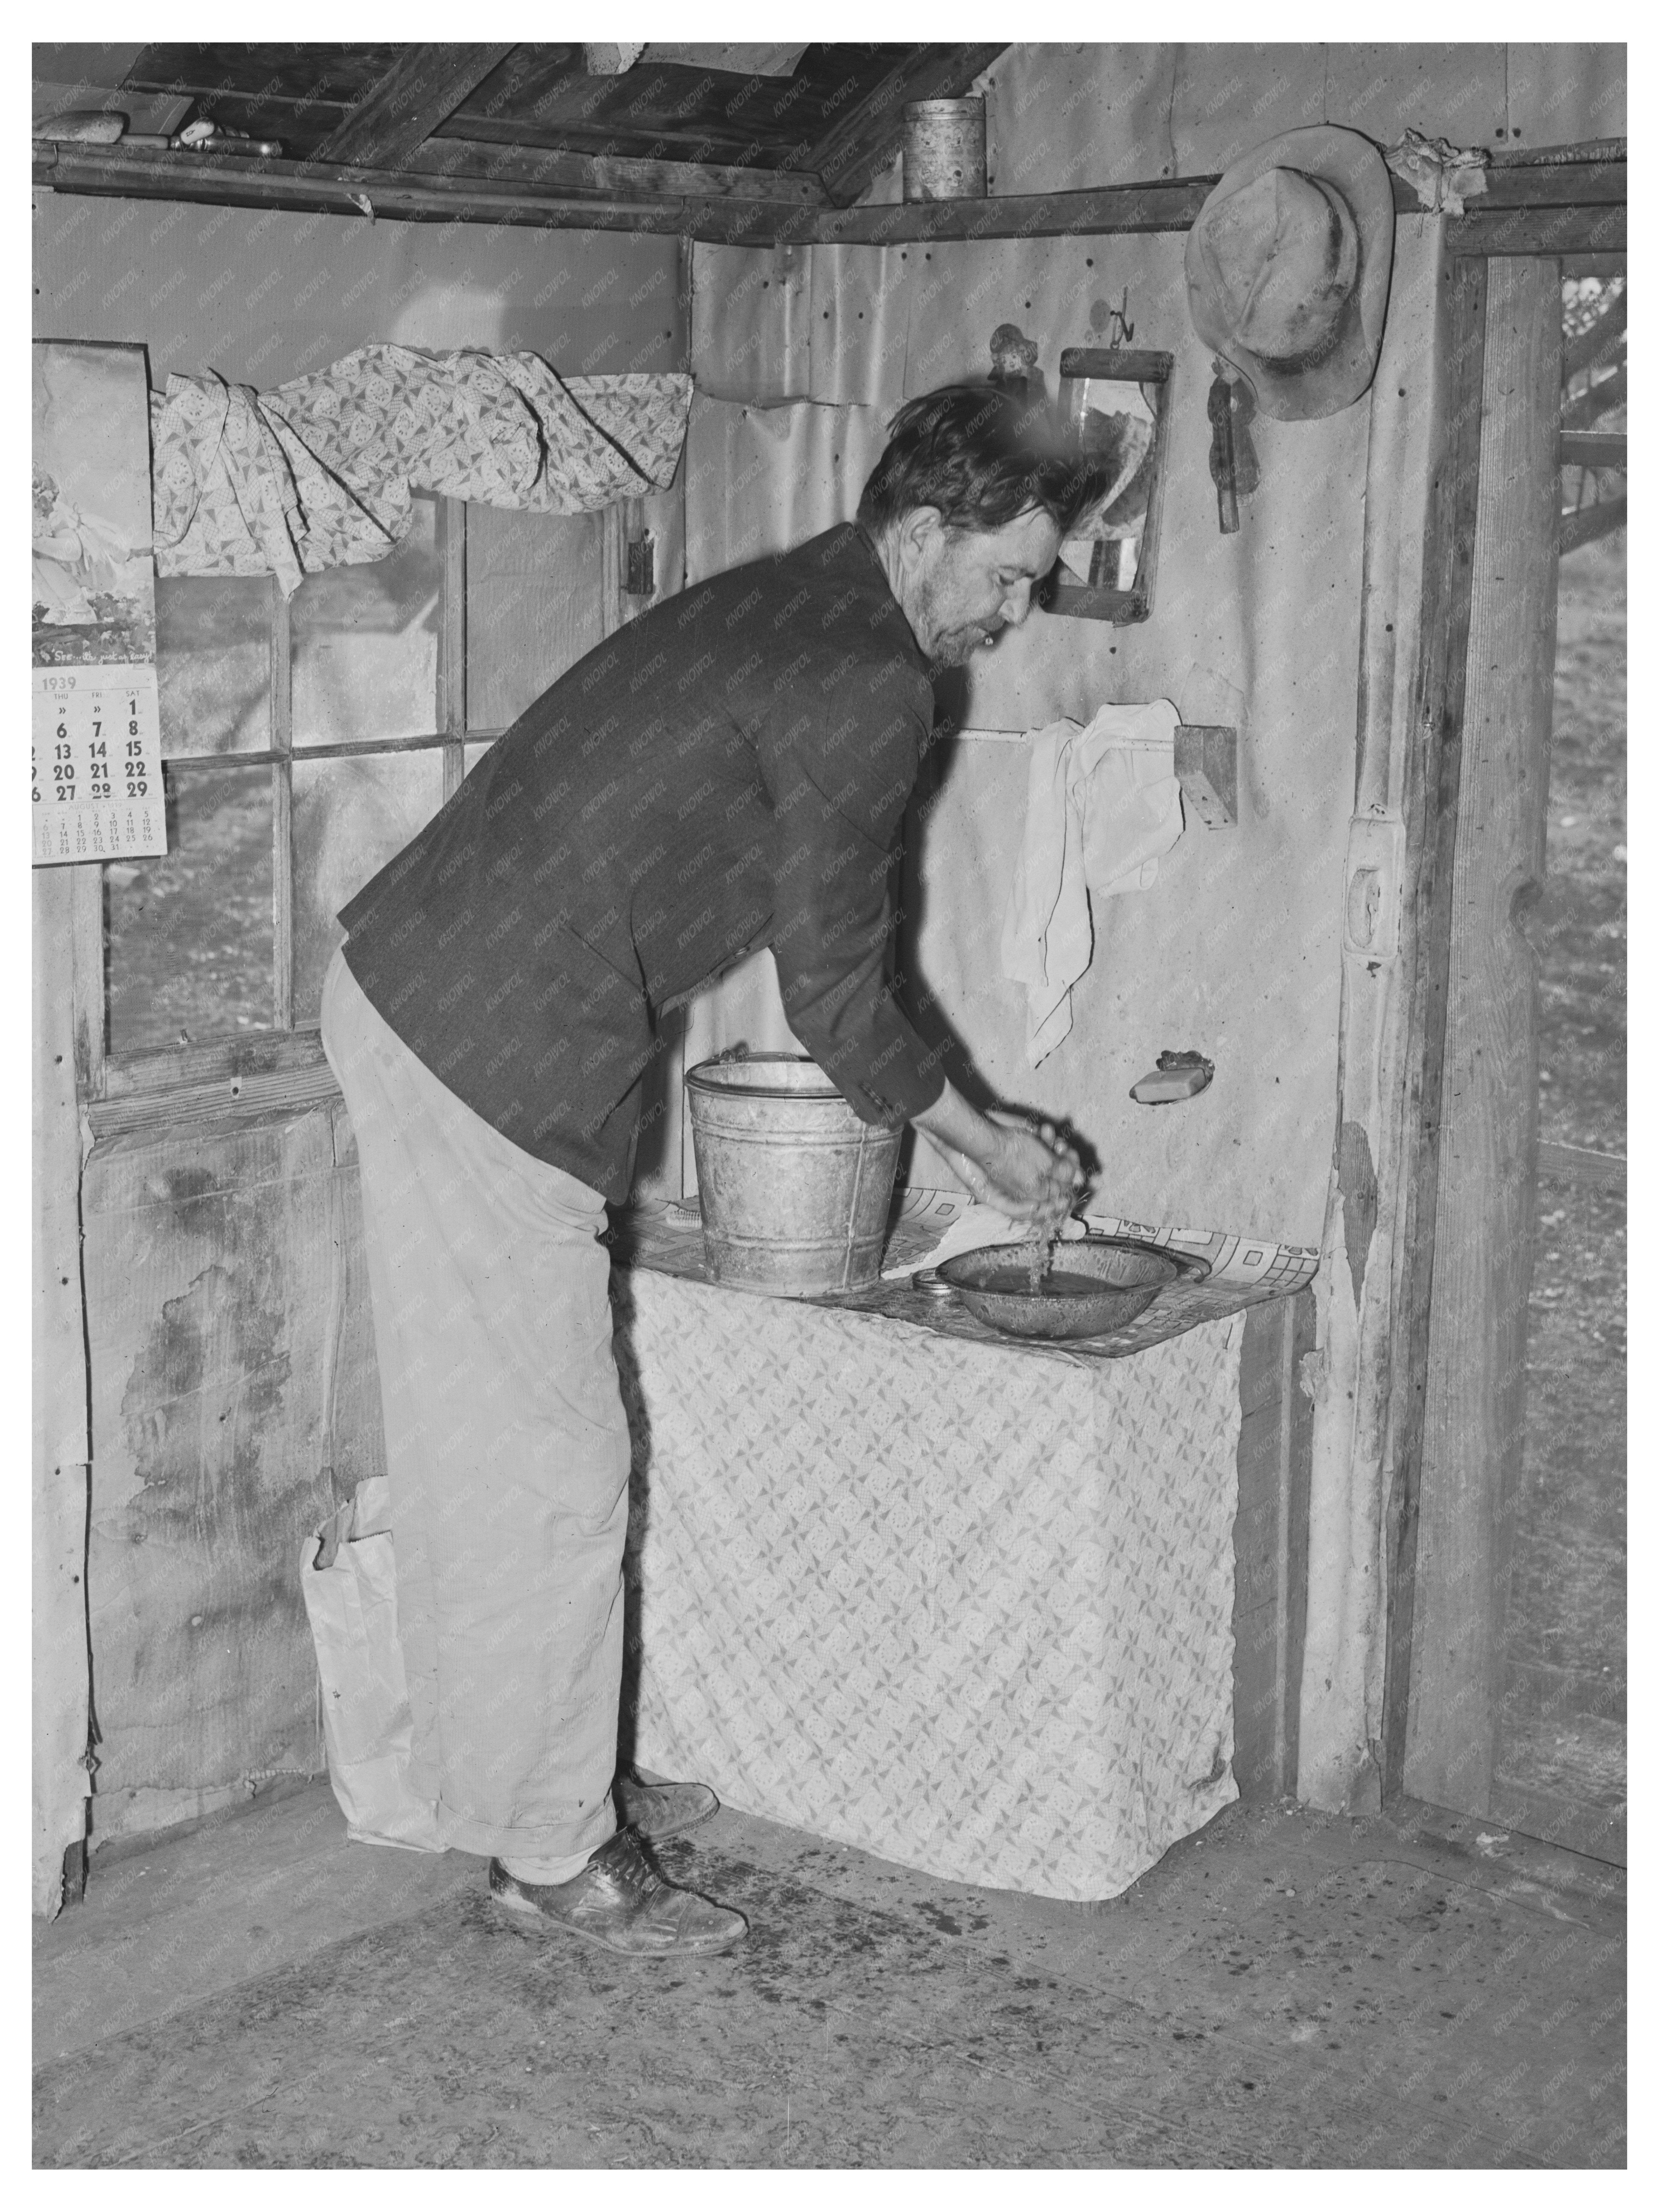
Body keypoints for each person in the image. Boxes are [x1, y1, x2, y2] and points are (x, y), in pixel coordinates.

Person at [320, 384, 1110, 1957]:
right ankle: (552, 1859)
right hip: (486, 1042)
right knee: (552, 1470)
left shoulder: (806, 592)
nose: (1013, 617)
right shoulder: (868, 674)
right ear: (925, 528)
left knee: (508, 1453)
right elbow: (835, 993)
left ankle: (483, 1795)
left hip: (432, 997)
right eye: (1007, 577)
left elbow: (805, 945)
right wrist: (991, 1143)